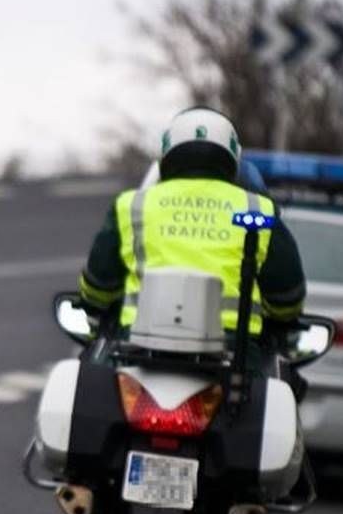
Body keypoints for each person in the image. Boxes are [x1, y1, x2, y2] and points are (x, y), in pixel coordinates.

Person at [78, 107, 306, 354]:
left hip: (135, 350)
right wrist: (280, 322)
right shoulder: (257, 210)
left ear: (167, 154)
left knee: (91, 372)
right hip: (235, 356)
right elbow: (287, 295)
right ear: (232, 159)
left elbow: (98, 285)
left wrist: (96, 306)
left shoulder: (133, 205)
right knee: (282, 385)